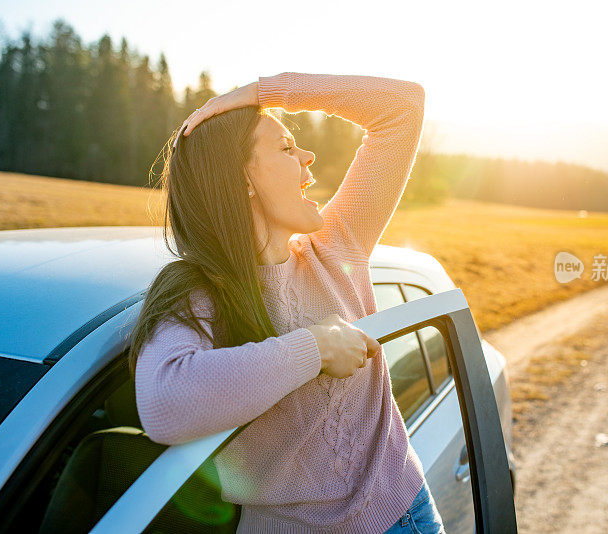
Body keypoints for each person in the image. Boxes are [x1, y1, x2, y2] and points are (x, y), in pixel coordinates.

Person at [127, 72, 445, 533]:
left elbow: (402, 106)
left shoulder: (336, 248)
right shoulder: (199, 292)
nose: (308, 157)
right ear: (243, 180)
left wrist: (262, 93)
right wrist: (314, 348)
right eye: (286, 147)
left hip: (406, 513)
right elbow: (164, 405)